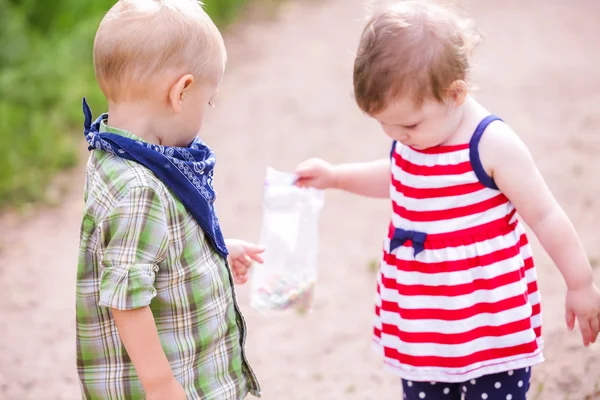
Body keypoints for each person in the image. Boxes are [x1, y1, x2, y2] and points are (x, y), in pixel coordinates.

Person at [295, 1, 600, 399]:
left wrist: (580, 283)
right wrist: (336, 177)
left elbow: (545, 216)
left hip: (488, 321)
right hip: (426, 325)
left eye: (405, 124)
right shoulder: (416, 135)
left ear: (455, 94)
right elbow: (397, 177)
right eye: (382, 124)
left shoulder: (491, 144)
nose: (394, 135)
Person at [76, 1, 262, 399]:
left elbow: (148, 252)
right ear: (181, 92)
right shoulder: (139, 189)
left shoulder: (116, 155)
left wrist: (215, 255)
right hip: (178, 385)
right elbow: (127, 299)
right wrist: (161, 386)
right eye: (207, 101)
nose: (206, 113)